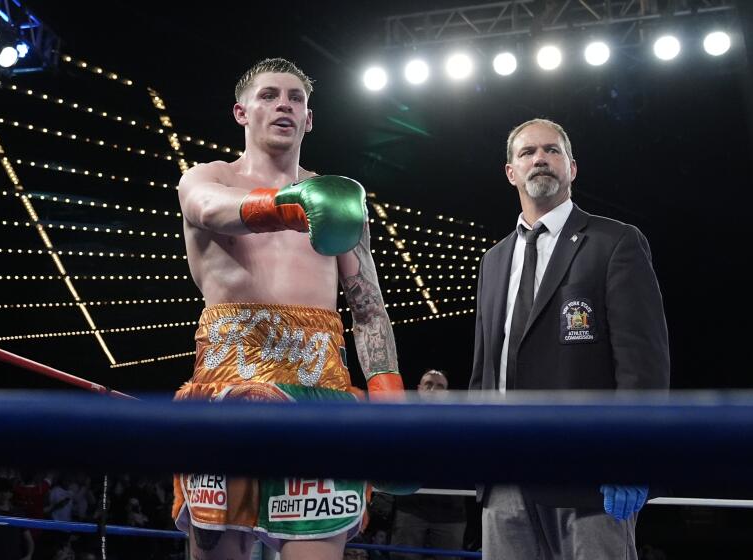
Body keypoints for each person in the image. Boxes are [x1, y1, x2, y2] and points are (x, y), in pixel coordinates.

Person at [172, 58, 403, 560]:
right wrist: (296, 204)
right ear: (241, 112)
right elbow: (209, 210)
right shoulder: (206, 178)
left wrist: (390, 404)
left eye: (295, 98)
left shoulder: (342, 201)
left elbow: (368, 311)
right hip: (226, 389)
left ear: (309, 118)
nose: (284, 105)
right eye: (269, 95)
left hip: (321, 396)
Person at [468, 118, 670, 559]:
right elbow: (485, 368)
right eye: (527, 153)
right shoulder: (493, 260)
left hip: (590, 474)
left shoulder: (615, 243)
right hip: (503, 473)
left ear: (572, 168)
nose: (540, 158)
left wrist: (633, 458)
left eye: (552, 150)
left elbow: (643, 365)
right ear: (511, 172)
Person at [390, 370, 466, 560]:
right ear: (419, 389)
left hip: (451, 510)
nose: (433, 389)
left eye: (440, 386)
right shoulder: (403, 420)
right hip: (411, 506)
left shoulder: (461, 423)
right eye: (429, 384)